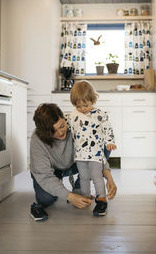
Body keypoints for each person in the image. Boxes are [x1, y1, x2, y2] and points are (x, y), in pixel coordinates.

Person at [30, 103, 117, 221]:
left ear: (63, 118)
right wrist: (69, 196)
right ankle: (68, 191)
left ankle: (79, 186)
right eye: (53, 132)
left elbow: (95, 152)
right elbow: (44, 176)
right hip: (51, 170)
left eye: (61, 126)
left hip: (77, 163)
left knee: (103, 146)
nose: (60, 133)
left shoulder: (75, 121)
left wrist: (109, 178)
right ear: (45, 133)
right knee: (46, 199)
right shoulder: (37, 139)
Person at [68, 80, 117, 216]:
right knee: (84, 177)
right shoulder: (73, 116)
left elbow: (108, 129)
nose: (83, 109)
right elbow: (70, 131)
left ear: (93, 100)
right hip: (79, 155)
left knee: (96, 176)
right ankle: (85, 196)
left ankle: (101, 199)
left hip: (95, 153)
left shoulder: (99, 114)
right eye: (79, 106)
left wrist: (109, 142)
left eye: (86, 105)